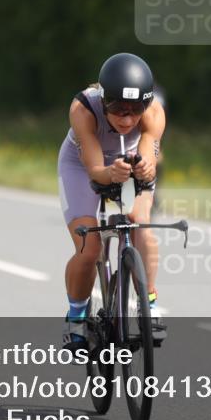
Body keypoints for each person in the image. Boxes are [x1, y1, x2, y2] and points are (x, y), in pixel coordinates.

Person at [58, 53, 165, 350]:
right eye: (118, 109)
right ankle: (77, 317)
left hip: (128, 164)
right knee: (88, 246)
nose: (127, 119)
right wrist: (110, 172)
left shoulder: (155, 112)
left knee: (142, 227)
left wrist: (145, 166)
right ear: (104, 100)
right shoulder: (83, 108)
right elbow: (95, 170)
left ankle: (150, 304)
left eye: (135, 110)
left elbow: (149, 156)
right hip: (82, 166)